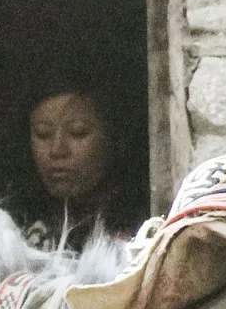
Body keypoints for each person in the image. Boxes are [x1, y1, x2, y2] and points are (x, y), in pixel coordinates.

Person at [20, 85, 139, 251]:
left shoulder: (140, 235)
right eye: (43, 133)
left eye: (78, 132)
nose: (57, 150)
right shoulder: (16, 234)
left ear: (112, 138)